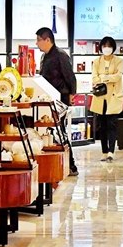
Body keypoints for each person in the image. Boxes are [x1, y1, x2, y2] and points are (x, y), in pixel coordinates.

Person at [36, 27, 78, 175]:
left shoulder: (60, 55)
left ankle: (71, 165)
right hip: (49, 98)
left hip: (60, 99)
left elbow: (70, 76)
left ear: (48, 40)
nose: (37, 43)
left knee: (60, 132)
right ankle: (60, 165)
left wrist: (72, 94)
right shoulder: (45, 56)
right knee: (53, 133)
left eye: (39, 40)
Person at [90, 36, 123, 162]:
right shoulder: (96, 61)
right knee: (102, 126)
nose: (107, 48)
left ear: (113, 48)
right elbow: (94, 78)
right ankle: (104, 152)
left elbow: (118, 76)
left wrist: (103, 77)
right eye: (104, 46)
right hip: (100, 97)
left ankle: (111, 152)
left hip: (113, 97)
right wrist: (108, 77)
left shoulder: (119, 61)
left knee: (112, 125)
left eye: (109, 46)